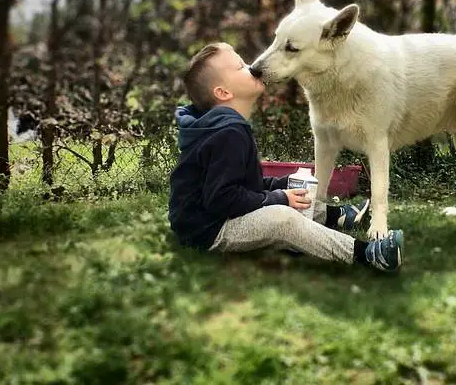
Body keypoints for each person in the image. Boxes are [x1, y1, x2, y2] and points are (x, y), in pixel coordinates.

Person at [168, 42, 403, 272]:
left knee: (293, 193)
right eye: (241, 66)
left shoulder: (224, 126)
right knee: (283, 219)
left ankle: (340, 216)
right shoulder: (228, 132)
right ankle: (370, 254)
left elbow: (243, 184)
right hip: (208, 230)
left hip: (209, 217)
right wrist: (278, 198)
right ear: (223, 92)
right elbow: (222, 200)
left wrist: (283, 185)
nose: (251, 67)